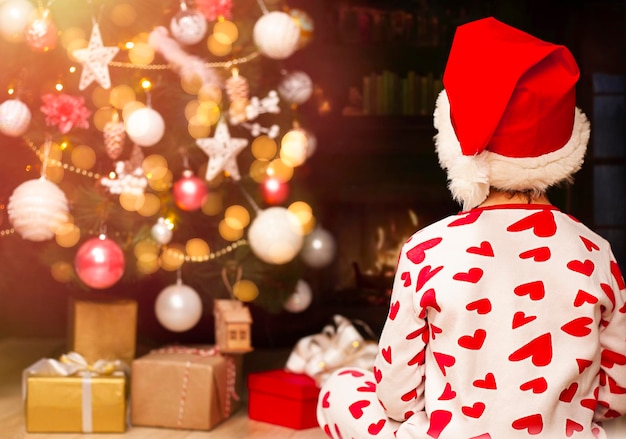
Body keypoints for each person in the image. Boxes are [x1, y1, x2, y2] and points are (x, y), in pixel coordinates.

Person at [316, 16, 626, 439]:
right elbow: (616, 396)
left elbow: (396, 397)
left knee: (339, 390)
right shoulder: (595, 253)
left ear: (456, 144)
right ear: (566, 146)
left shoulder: (427, 249)